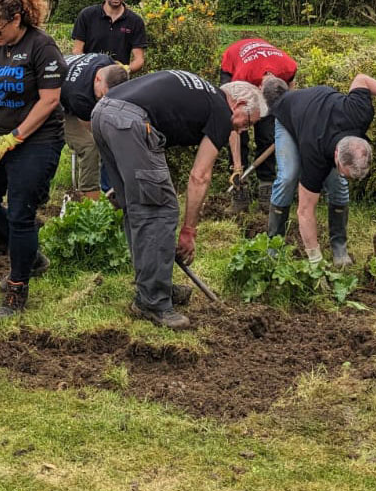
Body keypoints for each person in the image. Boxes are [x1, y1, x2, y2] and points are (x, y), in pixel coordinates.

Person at [91, 71, 266, 330]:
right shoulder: (220, 111)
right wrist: (188, 230)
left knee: (139, 209)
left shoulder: (204, 93)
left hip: (102, 113)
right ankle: (154, 302)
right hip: (129, 122)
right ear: (239, 105)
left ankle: (152, 286)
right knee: (161, 210)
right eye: (247, 123)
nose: (241, 130)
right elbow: (200, 175)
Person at [0, 0, 66, 318]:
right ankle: (31, 254)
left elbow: (50, 100)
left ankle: (17, 288)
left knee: (21, 213)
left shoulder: (42, 47)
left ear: (17, 20)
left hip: (36, 140)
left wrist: (16, 136)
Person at [266, 75, 376, 267]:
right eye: (345, 171)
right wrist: (314, 257)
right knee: (289, 176)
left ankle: (339, 249)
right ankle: (273, 245)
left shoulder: (360, 113)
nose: (348, 178)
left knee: (338, 185)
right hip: (289, 116)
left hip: (321, 111)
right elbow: (304, 210)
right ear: (336, 155)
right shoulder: (315, 155)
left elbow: (362, 79)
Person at [218, 37, 298, 208]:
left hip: (267, 68)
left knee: (268, 133)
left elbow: (291, 98)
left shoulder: (289, 66)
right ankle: (239, 186)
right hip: (234, 63)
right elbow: (233, 124)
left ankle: (266, 186)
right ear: (259, 89)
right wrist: (238, 167)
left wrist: (288, 121)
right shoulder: (243, 77)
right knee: (238, 125)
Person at [60, 52, 131, 202]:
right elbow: (94, 130)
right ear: (97, 79)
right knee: (90, 146)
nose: (104, 99)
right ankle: (90, 203)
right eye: (102, 95)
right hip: (53, 105)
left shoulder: (106, 62)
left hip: (74, 89)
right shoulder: (79, 95)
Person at [71, 0, 147, 73]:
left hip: (119, 80)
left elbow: (139, 59)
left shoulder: (135, 21)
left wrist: (125, 69)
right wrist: (89, 70)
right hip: (90, 77)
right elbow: (77, 51)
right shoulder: (87, 15)